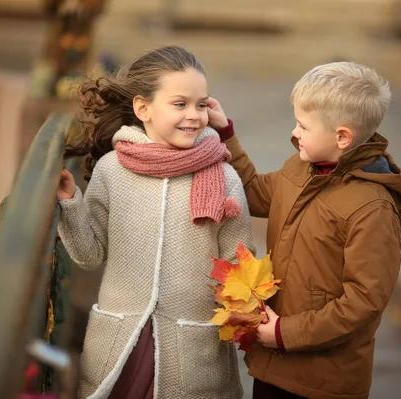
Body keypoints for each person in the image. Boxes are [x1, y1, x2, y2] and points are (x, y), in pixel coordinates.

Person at [57, 46, 255, 399]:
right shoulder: (112, 170)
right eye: (179, 104)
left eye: (201, 104)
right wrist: (71, 202)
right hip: (121, 346)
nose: (193, 116)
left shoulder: (224, 177)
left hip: (194, 352)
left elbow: (241, 266)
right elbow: (90, 255)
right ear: (142, 108)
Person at [208, 61, 401, 399]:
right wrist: (225, 135)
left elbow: (364, 300)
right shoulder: (302, 167)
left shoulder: (372, 208)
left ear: (341, 137)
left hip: (323, 381)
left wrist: (287, 333)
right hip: (274, 364)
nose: (295, 132)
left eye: (303, 125)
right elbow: (256, 194)